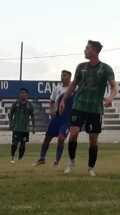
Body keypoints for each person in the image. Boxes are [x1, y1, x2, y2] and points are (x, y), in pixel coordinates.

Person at [60, 40, 117, 177]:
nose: (84, 50)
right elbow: (73, 85)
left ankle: (91, 168)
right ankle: (72, 161)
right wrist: (63, 100)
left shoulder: (106, 69)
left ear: (94, 51)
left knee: (93, 140)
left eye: (87, 48)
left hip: (95, 108)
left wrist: (110, 97)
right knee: (73, 134)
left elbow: (114, 86)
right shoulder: (81, 67)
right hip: (79, 105)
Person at [33, 70, 73, 167]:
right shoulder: (57, 89)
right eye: (61, 75)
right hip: (56, 117)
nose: (62, 77)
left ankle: (56, 161)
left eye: (64, 75)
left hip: (67, 119)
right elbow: (51, 101)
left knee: (61, 138)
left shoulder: (74, 89)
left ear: (69, 77)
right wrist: (51, 111)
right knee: (47, 138)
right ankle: (42, 158)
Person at [8, 88, 36, 163]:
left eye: (24, 93)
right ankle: (12, 156)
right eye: (21, 93)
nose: (22, 94)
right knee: (15, 143)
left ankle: (20, 159)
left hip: (25, 128)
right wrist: (10, 124)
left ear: (27, 94)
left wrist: (33, 127)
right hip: (17, 127)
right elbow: (11, 114)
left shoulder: (30, 105)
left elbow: (33, 116)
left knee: (23, 144)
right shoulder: (15, 104)